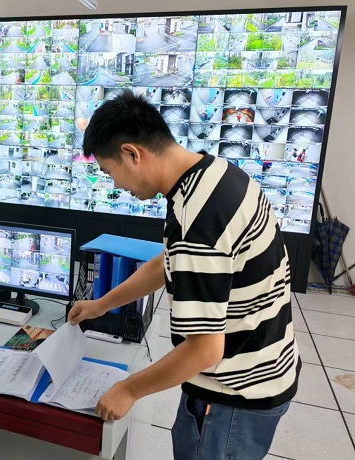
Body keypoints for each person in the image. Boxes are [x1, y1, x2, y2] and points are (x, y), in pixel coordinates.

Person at [68, 91, 300, 460]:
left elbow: (205, 350)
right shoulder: (213, 175)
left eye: (111, 172)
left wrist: (128, 389)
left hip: (233, 398)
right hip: (265, 366)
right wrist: (101, 304)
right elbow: (171, 261)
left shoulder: (198, 217)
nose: (116, 186)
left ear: (132, 153)